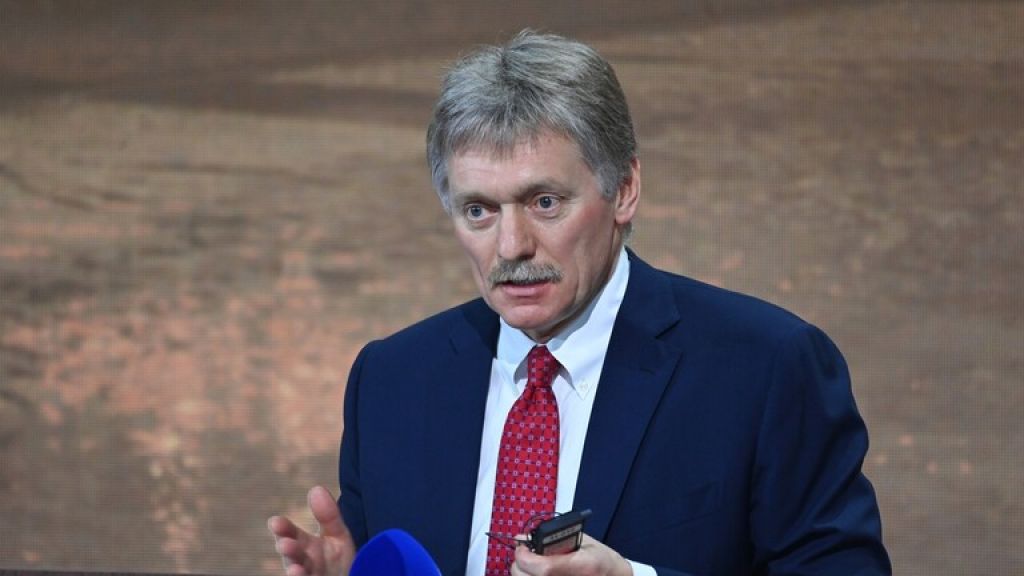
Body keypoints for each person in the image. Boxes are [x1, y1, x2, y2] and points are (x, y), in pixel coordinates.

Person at [268, 30, 891, 576]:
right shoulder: (392, 380)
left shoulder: (766, 367)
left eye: (544, 203)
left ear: (624, 189)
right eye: (479, 210)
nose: (511, 246)